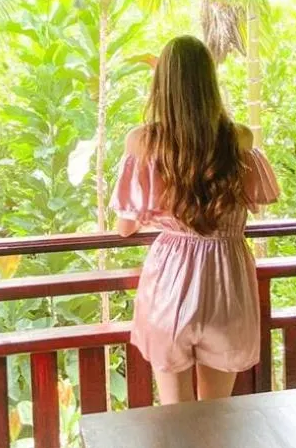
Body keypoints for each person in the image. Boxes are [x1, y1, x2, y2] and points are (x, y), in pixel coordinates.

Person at [109, 35, 280, 404]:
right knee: (216, 413)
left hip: (171, 275)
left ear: (161, 84)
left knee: (176, 413)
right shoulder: (239, 139)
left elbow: (126, 226)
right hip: (226, 278)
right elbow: (256, 202)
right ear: (209, 82)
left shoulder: (143, 141)